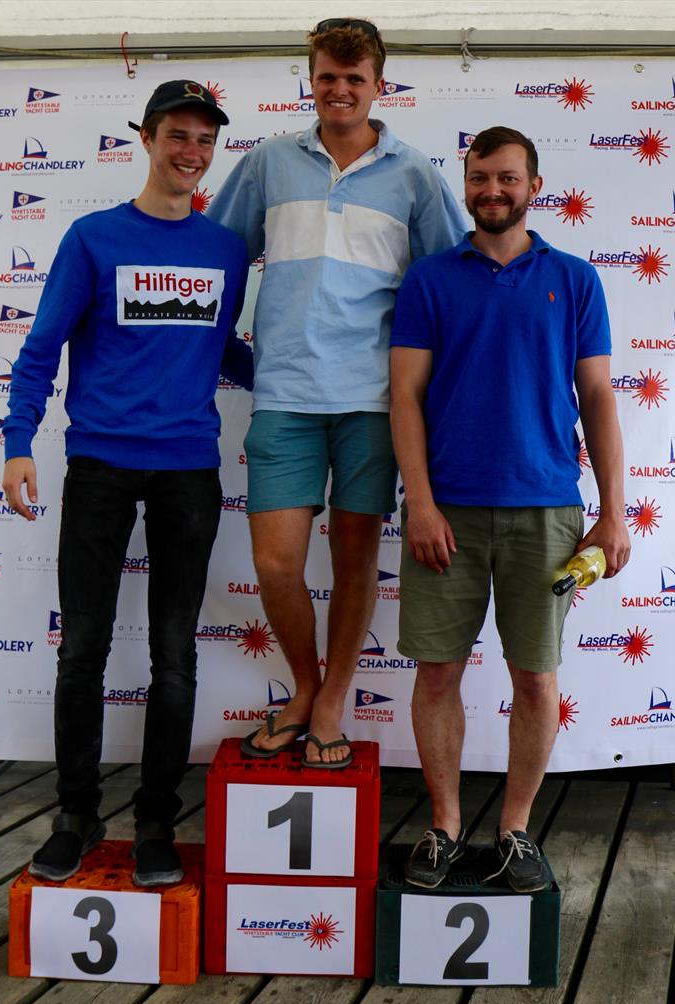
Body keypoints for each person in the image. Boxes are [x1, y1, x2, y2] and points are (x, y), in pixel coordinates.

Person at [2, 80, 252, 886]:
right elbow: (42, 346)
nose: (192, 152)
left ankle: (154, 819)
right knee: (83, 648)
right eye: (178, 136)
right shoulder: (93, 238)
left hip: (188, 469)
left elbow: (222, 351)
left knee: (175, 657)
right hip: (101, 464)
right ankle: (75, 812)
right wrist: (16, 442)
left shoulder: (223, 250)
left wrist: (304, 374)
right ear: (144, 138)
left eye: (206, 141)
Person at [208, 18, 465, 769]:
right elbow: (218, 263)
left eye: (355, 80)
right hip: (284, 395)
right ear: (310, 80)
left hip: (373, 402)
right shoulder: (265, 164)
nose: (340, 90)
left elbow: (448, 282)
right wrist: (234, 361)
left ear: (379, 86)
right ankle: (307, 684)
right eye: (327, 77)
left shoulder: (414, 173)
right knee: (280, 563)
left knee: (353, 558)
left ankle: (331, 700)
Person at [390, 126, 630, 891]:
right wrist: (420, 504)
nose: (492, 191)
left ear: (534, 185)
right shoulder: (430, 279)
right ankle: (445, 827)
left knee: (536, 681)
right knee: (437, 676)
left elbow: (597, 396)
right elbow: (404, 396)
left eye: (506, 178)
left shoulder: (576, 279)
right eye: (479, 178)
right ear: (465, 186)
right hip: (447, 515)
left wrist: (613, 512)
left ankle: (517, 829)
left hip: (548, 513)